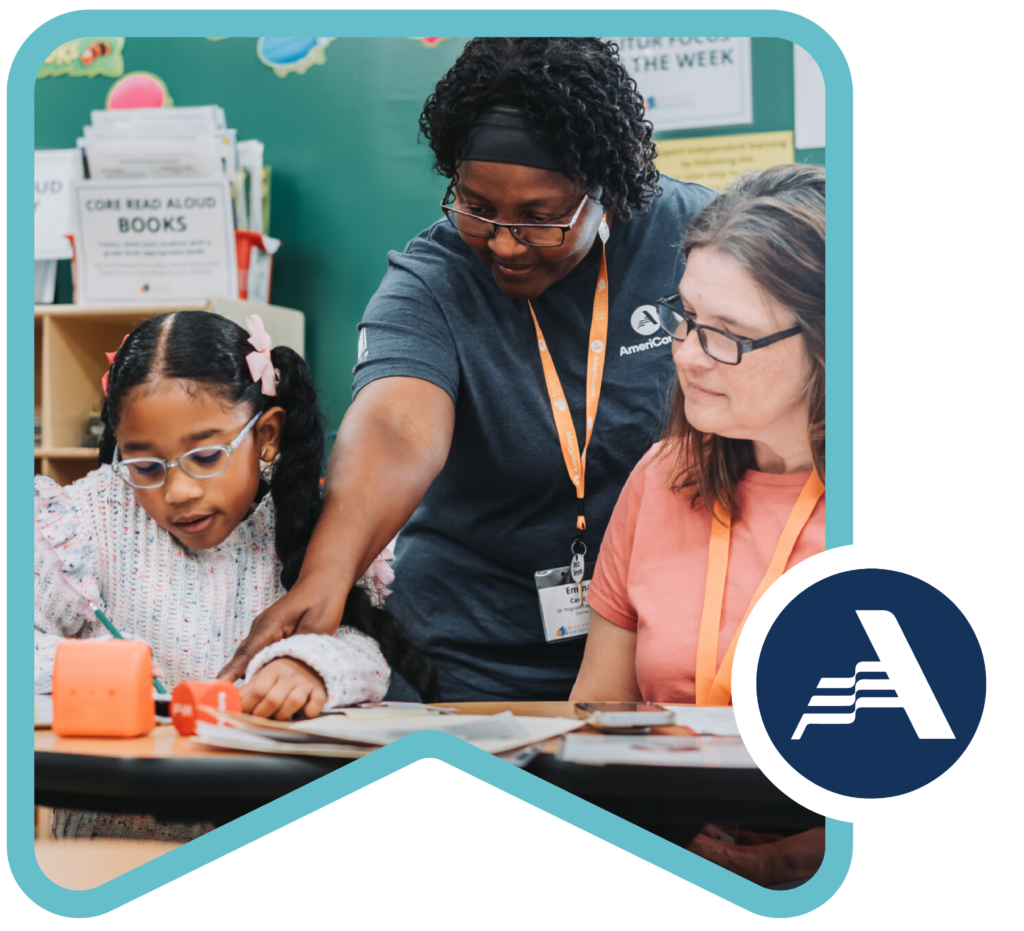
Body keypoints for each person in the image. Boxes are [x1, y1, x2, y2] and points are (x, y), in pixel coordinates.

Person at [218, 37, 717, 700]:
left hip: (663, 648)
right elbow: (398, 426)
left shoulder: (702, 245)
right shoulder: (434, 281)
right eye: (477, 207)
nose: (505, 243)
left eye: (541, 219)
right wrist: (327, 574)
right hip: (465, 656)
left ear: (608, 192)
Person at [34, 311, 435, 840]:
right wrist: (83, 667)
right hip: (111, 842)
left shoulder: (316, 528)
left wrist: (308, 666)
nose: (177, 492)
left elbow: (366, 649)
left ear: (265, 437)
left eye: (204, 457)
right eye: (145, 466)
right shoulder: (81, 519)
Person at [569, 164, 826, 886]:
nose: (686, 354)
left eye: (728, 337)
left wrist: (782, 862)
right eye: (685, 319)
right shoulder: (661, 477)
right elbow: (599, 718)